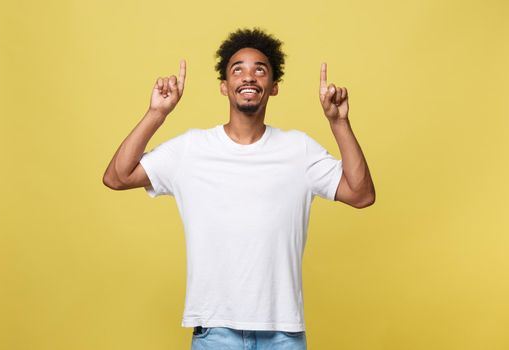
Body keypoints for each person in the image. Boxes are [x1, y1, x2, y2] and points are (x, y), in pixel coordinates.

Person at [103, 27, 375, 350]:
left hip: (283, 335)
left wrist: (338, 123)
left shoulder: (298, 150)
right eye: (238, 70)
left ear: (273, 87)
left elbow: (361, 194)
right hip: (215, 334)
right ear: (224, 86)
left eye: (260, 70)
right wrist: (156, 114)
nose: (249, 77)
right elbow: (117, 177)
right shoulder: (192, 149)